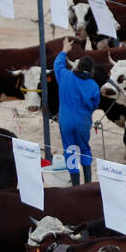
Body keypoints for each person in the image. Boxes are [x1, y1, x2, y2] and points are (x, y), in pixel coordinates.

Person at [54, 41, 100, 185]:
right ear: (91, 70)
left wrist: (64, 51)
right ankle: (87, 184)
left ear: (78, 66)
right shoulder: (93, 85)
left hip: (65, 120)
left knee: (70, 149)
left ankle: (75, 185)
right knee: (84, 149)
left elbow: (57, 65)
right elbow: (94, 104)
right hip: (82, 120)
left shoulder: (66, 76)